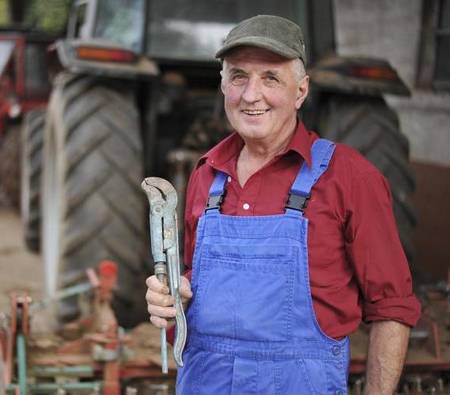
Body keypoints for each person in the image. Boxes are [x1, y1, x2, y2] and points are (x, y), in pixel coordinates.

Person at [146, 15, 421, 395]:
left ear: (301, 90)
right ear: (223, 85)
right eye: (238, 76)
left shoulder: (349, 177)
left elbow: (392, 307)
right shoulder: (206, 175)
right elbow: (193, 285)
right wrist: (173, 298)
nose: (250, 95)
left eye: (271, 78)